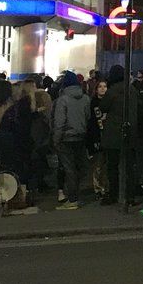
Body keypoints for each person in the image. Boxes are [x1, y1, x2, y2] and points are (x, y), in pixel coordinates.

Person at [99, 65, 138, 205]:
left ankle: (114, 194)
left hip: (114, 133)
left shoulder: (112, 91)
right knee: (129, 167)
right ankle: (130, 196)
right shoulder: (132, 89)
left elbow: (103, 107)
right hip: (130, 131)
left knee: (112, 166)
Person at [52, 71, 91, 209]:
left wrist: (56, 140)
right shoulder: (86, 98)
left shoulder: (63, 100)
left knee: (69, 169)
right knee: (79, 166)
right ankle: (76, 194)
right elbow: (88, 117)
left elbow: (59, 122)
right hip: (80, 136)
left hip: (66, 138)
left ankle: (73, 199)